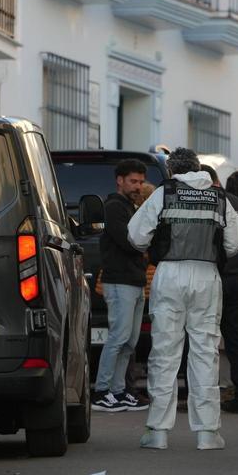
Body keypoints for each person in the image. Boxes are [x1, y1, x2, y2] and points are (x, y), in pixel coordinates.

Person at [128, 148, 238, 451]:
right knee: (205, 352)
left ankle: (157, 431)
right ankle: (208, 433)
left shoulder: (164, 193)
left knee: (164, 354)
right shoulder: (219, 197)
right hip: (207, 276)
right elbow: (235, 243)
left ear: (172, 171)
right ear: (198, 168)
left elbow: (136, 236)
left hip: (169, 275)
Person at [92, 159, 152, 413]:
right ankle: (101, 391)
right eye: (133, 181)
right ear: (120, 180)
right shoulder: (114, 207)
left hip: (135, 281)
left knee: (129, 341)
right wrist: (146, 244)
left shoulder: (130, 207)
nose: (138, 186)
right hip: (119, 282)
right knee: (118, 338)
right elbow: (130, 241)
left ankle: (118, 391)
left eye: (140, 182)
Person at [203, 168, 238, 415]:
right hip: (237, 278)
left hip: (213, 277)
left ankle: (200, 395)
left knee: (202, 338)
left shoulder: (208, 202)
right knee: (237, 339)